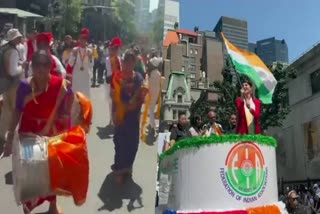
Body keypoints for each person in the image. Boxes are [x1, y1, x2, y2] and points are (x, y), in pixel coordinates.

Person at [3, 50, 74, 214]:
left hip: (51, 135)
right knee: (29, 172)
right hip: (28, 134)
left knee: (51, 172)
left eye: (45, 65)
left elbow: (70, 96)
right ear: (32, 67)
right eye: (37, 65)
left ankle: (52, 206)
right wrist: (10, 138)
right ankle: (28, 208)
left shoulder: (59, 84)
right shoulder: (24, 87)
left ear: (50, 67)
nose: (41, 69)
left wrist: (65, 115)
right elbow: (17, 111)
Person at [110, 48, 148, 185]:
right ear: (123, 62)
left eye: (131, 63)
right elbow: (113, 96)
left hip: (133, 115)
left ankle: (128, 167)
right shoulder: (117, 77)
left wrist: (138, 100)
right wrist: (114, 111)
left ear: (134, 64)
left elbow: (143, 95)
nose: (128, 65)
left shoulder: (138, 77)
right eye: (126, 62)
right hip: (120, 114)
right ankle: (119, 170)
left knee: (132, 144)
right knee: (119, 143)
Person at [0, 29, 25, 153]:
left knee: (6, 111)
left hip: (5, 84)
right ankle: (14, 138)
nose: (20, 39)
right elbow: (13, 71)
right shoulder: (14, 52)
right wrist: (22, 67)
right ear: (14, 39)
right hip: (14, 85)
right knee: (16, 111)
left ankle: (1, 134)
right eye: (18, 37)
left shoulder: (4, 49)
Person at [68, 28, 93, 98]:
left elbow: (91, 65)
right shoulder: (75, 50)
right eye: (81, 38)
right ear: (79, 38)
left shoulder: (89, 51)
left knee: (85, 97)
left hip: (85, 77)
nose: (83, 40)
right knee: (76, 96)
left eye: (85, 38)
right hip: (77, 76)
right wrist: (73, 56)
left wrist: (90, 58)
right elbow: (70, 64)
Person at [105, 37, 122, 126]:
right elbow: (109, 72)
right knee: (111, 102)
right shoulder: (108, 59)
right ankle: (111, 120)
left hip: (119, 82)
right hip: (111, 82)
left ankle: (116, 119)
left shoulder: (119, 58)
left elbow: (121, 70)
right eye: (114, 48)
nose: (115, 50)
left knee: (118, 102)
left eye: (117, 49)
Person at [146, 49, 162, 130]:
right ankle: (154, 124)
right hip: (159, 81)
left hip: (152, 80)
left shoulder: (150, 61)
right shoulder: (161, 60)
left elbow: (148, 72)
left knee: (151, 105)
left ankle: (152, 125)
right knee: (158, 104)